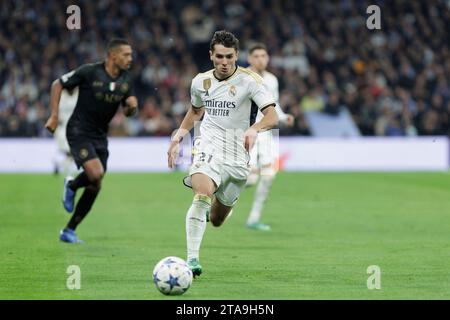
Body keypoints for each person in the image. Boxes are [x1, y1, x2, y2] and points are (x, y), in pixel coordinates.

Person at [167, 30, 279, 277]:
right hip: (208, 145)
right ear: (211, 56)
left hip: (238, 157)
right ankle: (192, 260)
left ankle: (219, 205)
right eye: (219, 57)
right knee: (201, 193)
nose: (225, 62)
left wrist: (254, 128)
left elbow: (272, 116)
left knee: (217, 219)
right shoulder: (200, 81)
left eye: (229, 56)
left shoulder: (251, 82)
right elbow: (196, 112)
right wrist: (178, 137)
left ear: (237, 55)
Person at [45, 38, 138, 243]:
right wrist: (54, 116)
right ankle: (71, 186)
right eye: (126, 54)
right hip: (79, 130)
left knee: (96, 183)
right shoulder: (89, 72)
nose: (130, 58)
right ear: (113, 56)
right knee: (96, 173)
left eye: (131, 54)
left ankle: (69, 230)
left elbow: (129, 109)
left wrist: (131, 107)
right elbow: (57, 84)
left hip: (100, 135)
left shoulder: (126, 80)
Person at [245, 43, 295, 231]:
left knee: (268, 175)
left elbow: (273, 106)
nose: (261, 59)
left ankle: (254, 218)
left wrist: (283, 117)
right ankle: (218, 198)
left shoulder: (272, 80)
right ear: (249, 59)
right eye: (256, 56)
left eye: (264, 55)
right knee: (248, 179)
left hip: (268, 133)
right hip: (248, 131)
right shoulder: (242, 76)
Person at [52, 88, 78, 177]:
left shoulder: (61, 97)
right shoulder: (67, 98)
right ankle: (66, 169)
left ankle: (59, 164)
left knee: (72, 154)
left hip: (66, 130)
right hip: (65, 131)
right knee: (72, 154)